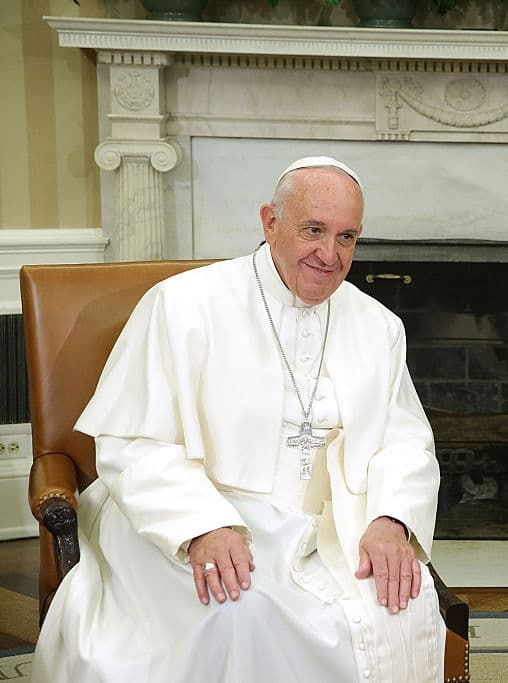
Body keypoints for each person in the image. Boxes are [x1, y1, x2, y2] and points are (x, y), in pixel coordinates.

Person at [33, 157, 446, 682]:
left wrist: (390, 520)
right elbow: (133, 443)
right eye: (313, 230)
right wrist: (201, 525)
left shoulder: (378, 325)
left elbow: (405, 442)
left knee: (401, 604)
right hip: (193, 515)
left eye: (347, 237)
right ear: (270, 222)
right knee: (235, 611)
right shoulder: (183, 304)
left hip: (329, 529)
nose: (330, 255)